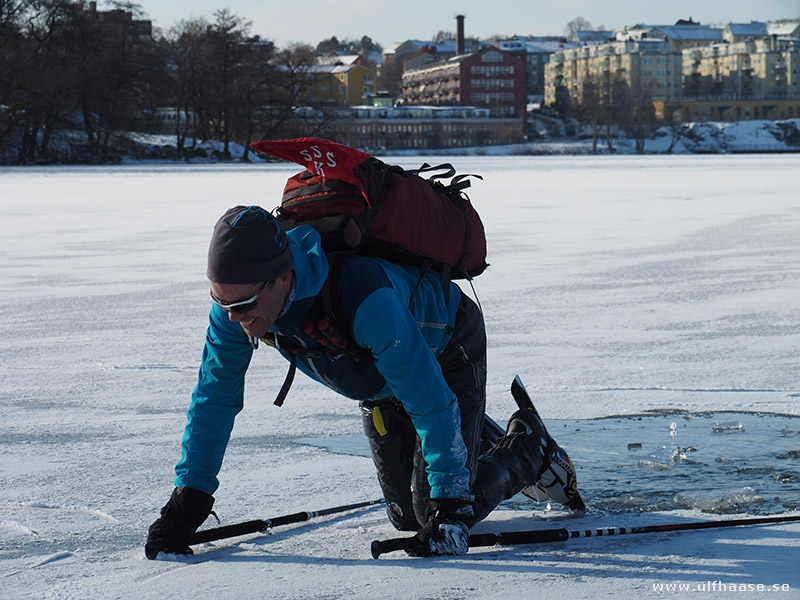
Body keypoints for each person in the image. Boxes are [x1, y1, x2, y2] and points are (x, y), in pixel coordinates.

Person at [145, 204, 580, 559]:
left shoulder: (363, 296)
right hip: (381, 383)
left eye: (243, 303)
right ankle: (471, 432)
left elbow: (429, 399)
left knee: (435, 509)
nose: (234, 316)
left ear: (283, 276)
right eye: (221, 302)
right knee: (405, 519)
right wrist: (189, 502)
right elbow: (213, 400)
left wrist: (451, 505)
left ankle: (529, 447)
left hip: (446, 349)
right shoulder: (235, 313)